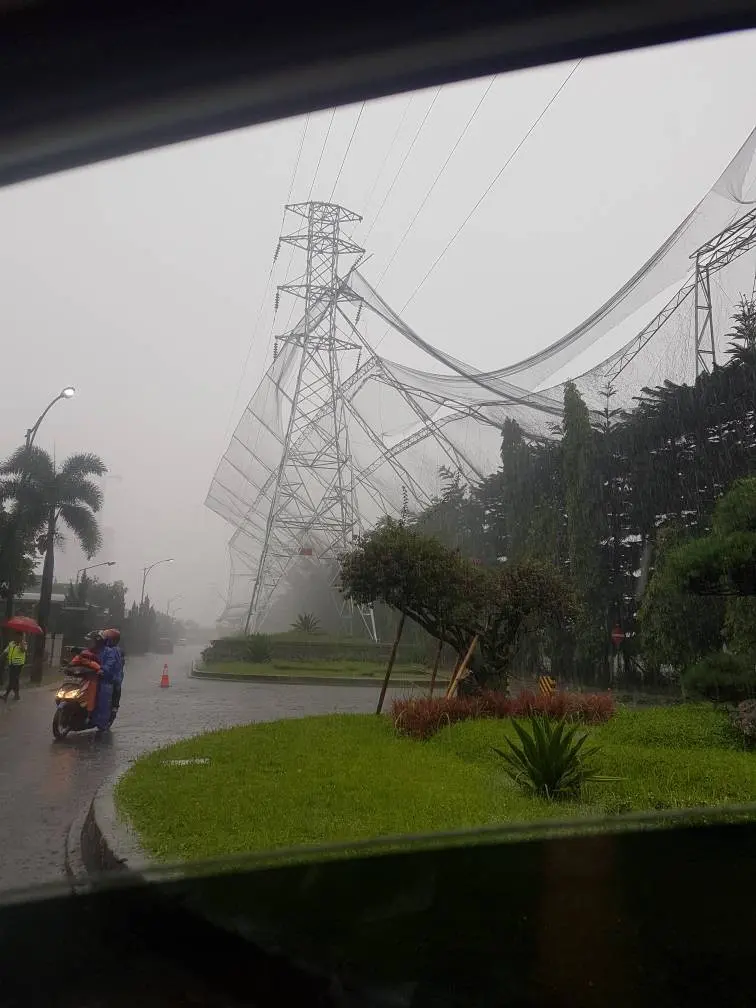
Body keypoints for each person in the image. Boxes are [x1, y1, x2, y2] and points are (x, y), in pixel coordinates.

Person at [86, 631, 120, 729]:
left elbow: (111, 663)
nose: (91, 644)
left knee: (103, 697)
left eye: (92, 642)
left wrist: (103, 670)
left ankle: (101, 722)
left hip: (105, 679)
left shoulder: (110, 651)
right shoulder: (90, 651)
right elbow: (81, 658)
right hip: (92, 677)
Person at [2, 634, 27, 702]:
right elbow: (5, 652)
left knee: (13, 679)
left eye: (19, 637)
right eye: (16, 636)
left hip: (18, 665)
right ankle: (17, 695)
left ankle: (6, 694)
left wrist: (21, 644)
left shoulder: (23, 644)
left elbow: (23, 650)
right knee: (15, 680)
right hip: (12, 664)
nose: (17, 638)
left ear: (21, 637)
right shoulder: (11, 643)